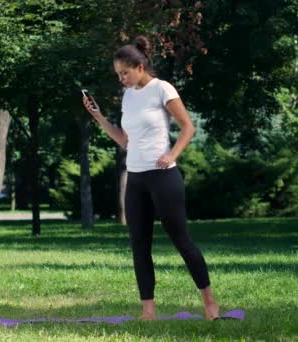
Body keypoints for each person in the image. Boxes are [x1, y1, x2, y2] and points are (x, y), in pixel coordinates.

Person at [82, 35, 220, 321]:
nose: (121, 78)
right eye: (118, 74)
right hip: (136, 179)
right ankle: (148, 311)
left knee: (182, 241)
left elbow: (188, 127)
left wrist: (173, 155)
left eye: (124, 72)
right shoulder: (128, 95)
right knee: (139, 246)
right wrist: (99, 117)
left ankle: (209, 303)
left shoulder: (162, 89)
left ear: (139, 66)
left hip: (163, 177)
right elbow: (124, 141)